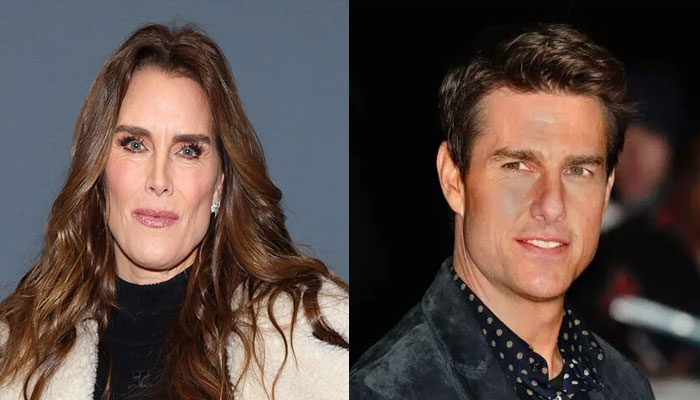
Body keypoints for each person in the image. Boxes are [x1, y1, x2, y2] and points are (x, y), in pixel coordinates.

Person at [0, 24, 348, 400]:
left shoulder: (308, 342)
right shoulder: (15, 353)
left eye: (188, 151)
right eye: (135, 144)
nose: (159, 180)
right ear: (97, 169)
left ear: (219, 184)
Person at [350, 24, 654, 399]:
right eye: (518, 166)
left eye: (578, 171)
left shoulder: (626, 385)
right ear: (453, 179)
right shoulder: (387, 390)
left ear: (606, 190)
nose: (552, 205)